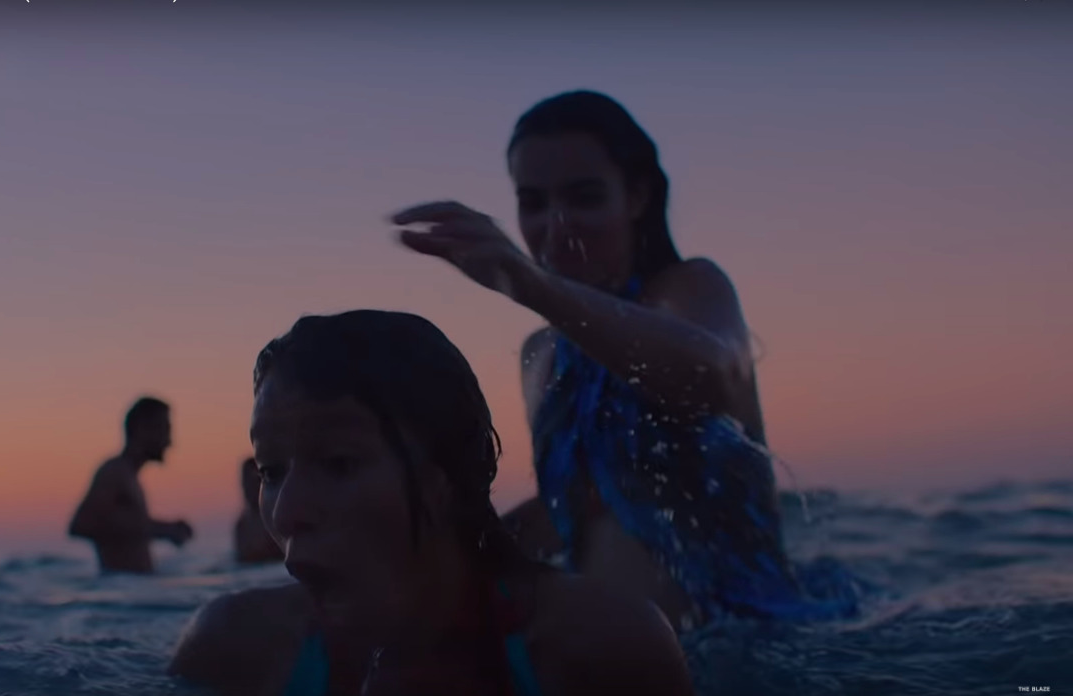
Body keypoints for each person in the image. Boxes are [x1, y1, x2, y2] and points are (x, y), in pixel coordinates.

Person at [392, 90, 858, 630]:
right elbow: (567, 512)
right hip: (614, 653)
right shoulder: (542, 354)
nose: (556, 225)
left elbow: (708, 374)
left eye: (585, 197)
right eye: (533, 203)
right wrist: (412, 548)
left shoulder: (690, 290)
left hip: (750, 639)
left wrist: (530, 283)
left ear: (636, 196)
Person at [169, 310, 692, 696]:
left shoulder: (604, 648)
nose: (286, 513)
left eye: (339, 463)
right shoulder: (234, 650)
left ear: (448, 476)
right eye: (271, 471)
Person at [69, 396, 194, 574]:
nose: (169, 442)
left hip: (132, 589)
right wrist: (160, 529)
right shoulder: (114, 472)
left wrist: (162, 528)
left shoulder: (128, 476)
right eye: (164, 429)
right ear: (142, 428)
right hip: (119, 591)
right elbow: (81, 524)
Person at [234, 456, 282, 564]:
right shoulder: (241, 525)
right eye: (245, 482)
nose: (247, 487)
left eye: (253, 481)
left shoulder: (275, 516)